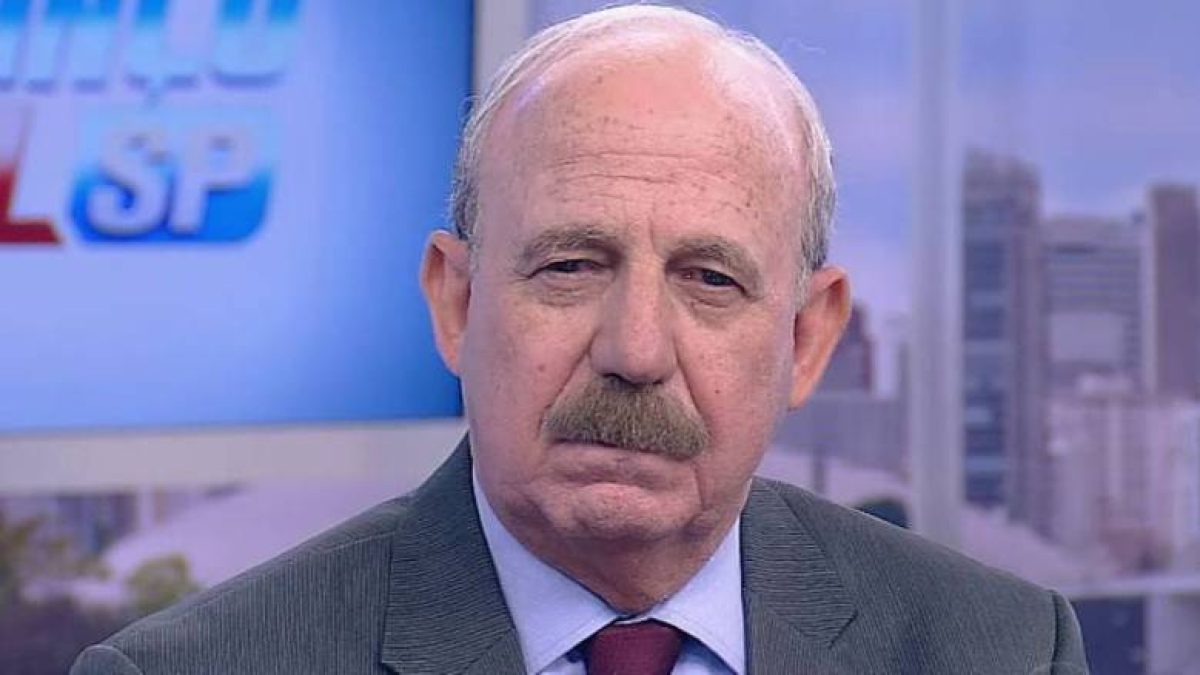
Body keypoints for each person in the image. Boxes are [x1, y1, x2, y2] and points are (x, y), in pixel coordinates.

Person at [72, 5, 1089, 674]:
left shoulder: (998, 649)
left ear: (808, 339)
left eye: (710, 279)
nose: (635, 352)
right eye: (570, 266)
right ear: (456, 303)